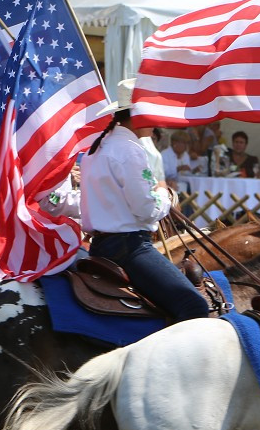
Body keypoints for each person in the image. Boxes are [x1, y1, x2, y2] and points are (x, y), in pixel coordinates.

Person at [81, 80, 209, 323]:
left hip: (101, 245)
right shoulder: (129, 149)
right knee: (194, 305)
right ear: (138, 115)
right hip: (129, 247)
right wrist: (166, 195)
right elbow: (146, 210)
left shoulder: (98, 147)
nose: (157, 123)